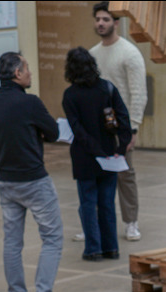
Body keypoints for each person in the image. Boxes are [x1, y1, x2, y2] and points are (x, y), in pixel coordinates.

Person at [0, 52, 71, 292]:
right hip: (34, 181)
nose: (31, 73)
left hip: (6, 181)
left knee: (12, 243)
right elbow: (55, 134)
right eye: (28, 68)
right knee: (53, 237)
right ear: (18, 74)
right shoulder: (30, 102)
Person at [63, 47, 132, 262]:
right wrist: (119, 149)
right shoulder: (107, 89)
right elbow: (124, 119)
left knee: (88, 203)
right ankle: (111, 248)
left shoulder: (70, 95)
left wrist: (94, 151)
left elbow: (77, 129)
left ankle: (93, 249)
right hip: (110, 156)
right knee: (107, 203)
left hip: (85, 157)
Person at [90, 1, 148, 242]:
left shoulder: (129, 53)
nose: (100, 24)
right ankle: (94, 224)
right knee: (95, 173)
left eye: (105, 19)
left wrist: (132, 127)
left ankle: (131, 221)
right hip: (97, 125)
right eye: (98, 19)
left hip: (122, 126)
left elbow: (138, 92)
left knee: (125, 174)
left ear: (116, 22)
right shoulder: (92, 54)